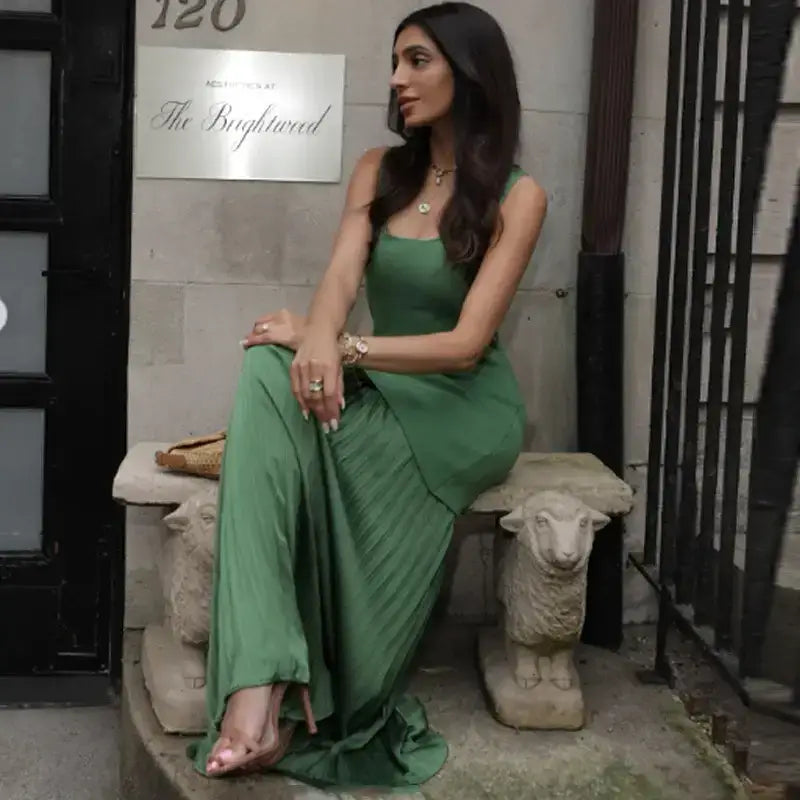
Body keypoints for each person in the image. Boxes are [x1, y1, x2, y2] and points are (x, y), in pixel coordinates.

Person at [189, 0, 547, 790]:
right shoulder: (379, 172)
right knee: (262, 365)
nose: (397, 79)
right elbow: (341, 280)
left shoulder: (517, 196)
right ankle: (258, 679)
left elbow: (465, 346)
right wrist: (315, 332)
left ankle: (293, 692)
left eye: (417, 60)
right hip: (383, 378)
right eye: (396, 62)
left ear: (469, 69)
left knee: (300, 409)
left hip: (462, 409)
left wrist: (340, 346)